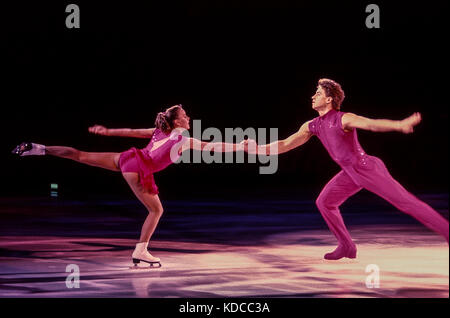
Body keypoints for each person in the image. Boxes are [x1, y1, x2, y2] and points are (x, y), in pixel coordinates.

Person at [12, 104, 245, 266]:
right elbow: (213, 147)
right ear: (176, 122)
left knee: (81, 155)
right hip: (139, 168)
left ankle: (38, 148)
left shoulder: (158, 131)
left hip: (128, 158)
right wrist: (241, 146)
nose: (188, 118)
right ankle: (141, 250)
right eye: (185, 116)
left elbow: (132, 132)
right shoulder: (182, 138)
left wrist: (107, 131)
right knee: (156, 210)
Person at [244, 78, 449, 260]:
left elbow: (371, 124)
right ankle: (347, 247)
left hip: (367, 168)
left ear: (329, 99)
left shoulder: (343, 118)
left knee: (406, 203)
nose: (312, 96)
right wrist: (258, 149)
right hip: (350, 173)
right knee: (325, 202)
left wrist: (399, 125)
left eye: (318, 93)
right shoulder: (312, 125)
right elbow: (285, 144)